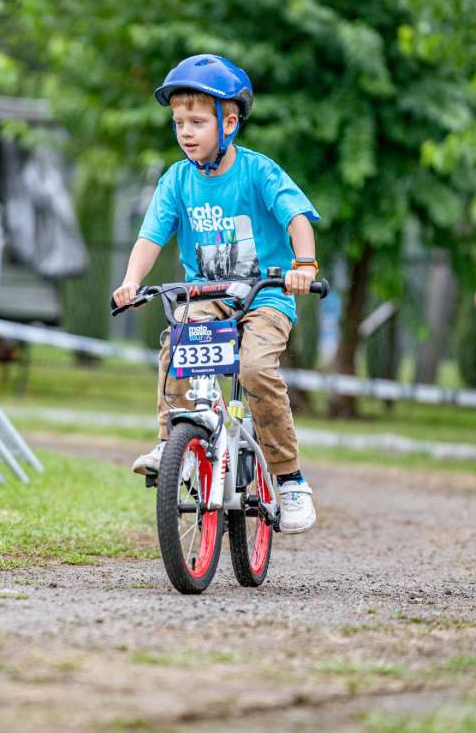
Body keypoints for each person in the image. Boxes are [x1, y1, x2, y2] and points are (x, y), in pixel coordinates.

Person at [112, 54, 321, 534]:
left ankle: (290, 480)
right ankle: (174, 445)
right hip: (207, 295)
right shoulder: (176, 181)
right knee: (179, 341)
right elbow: (151, 236)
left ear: (229, 123)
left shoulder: (258, 172)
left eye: (197, 122)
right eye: (179, 122)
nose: (186, 131)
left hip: (266, 294)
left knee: (255, 369)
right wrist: (130, 280)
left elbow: (297, 218)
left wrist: (303, 266)